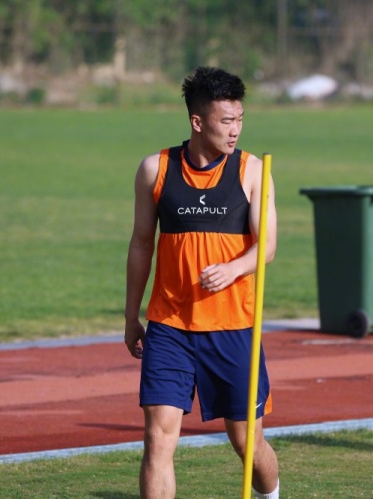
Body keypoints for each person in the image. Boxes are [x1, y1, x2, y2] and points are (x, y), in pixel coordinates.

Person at [124, 66, 280, 499]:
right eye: (226, 120)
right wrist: (131, 315)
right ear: (197, 121)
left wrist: (234, 268)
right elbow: (141, 244)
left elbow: (267, 245)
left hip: (233, 327)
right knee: (157, 439)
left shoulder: (251, 170)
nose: (236, 130)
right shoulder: (155, 169)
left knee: (247, 443)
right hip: (170, 325)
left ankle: (270, 495)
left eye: (240, 119)